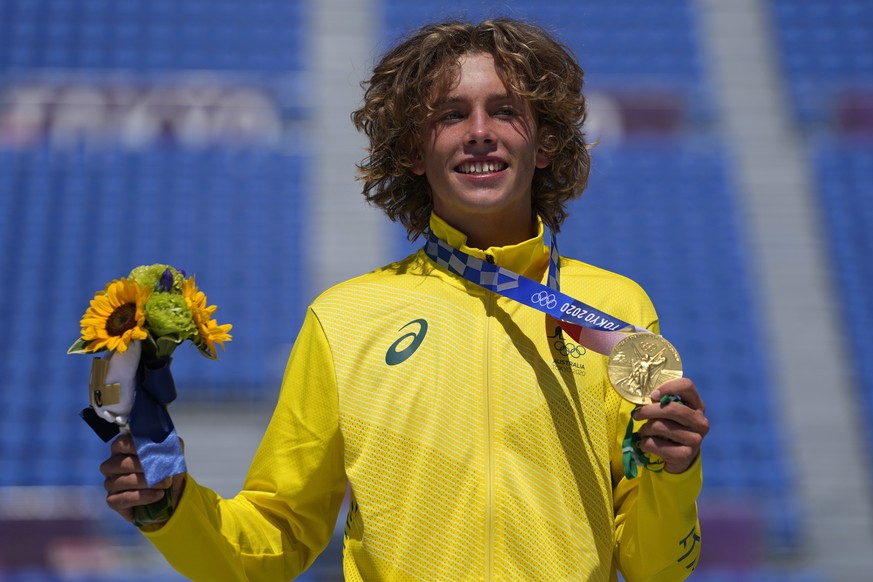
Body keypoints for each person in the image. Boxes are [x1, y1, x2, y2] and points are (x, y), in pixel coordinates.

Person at [101, 18, 709, 581]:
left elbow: (656, 568)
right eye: (450, 115)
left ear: (544, 143)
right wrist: (172, 509)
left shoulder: (615, 306)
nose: (479, 133)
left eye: (504, 111)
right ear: (413, 152)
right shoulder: (344, 318)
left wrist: (674, 475)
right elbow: (276, 533)